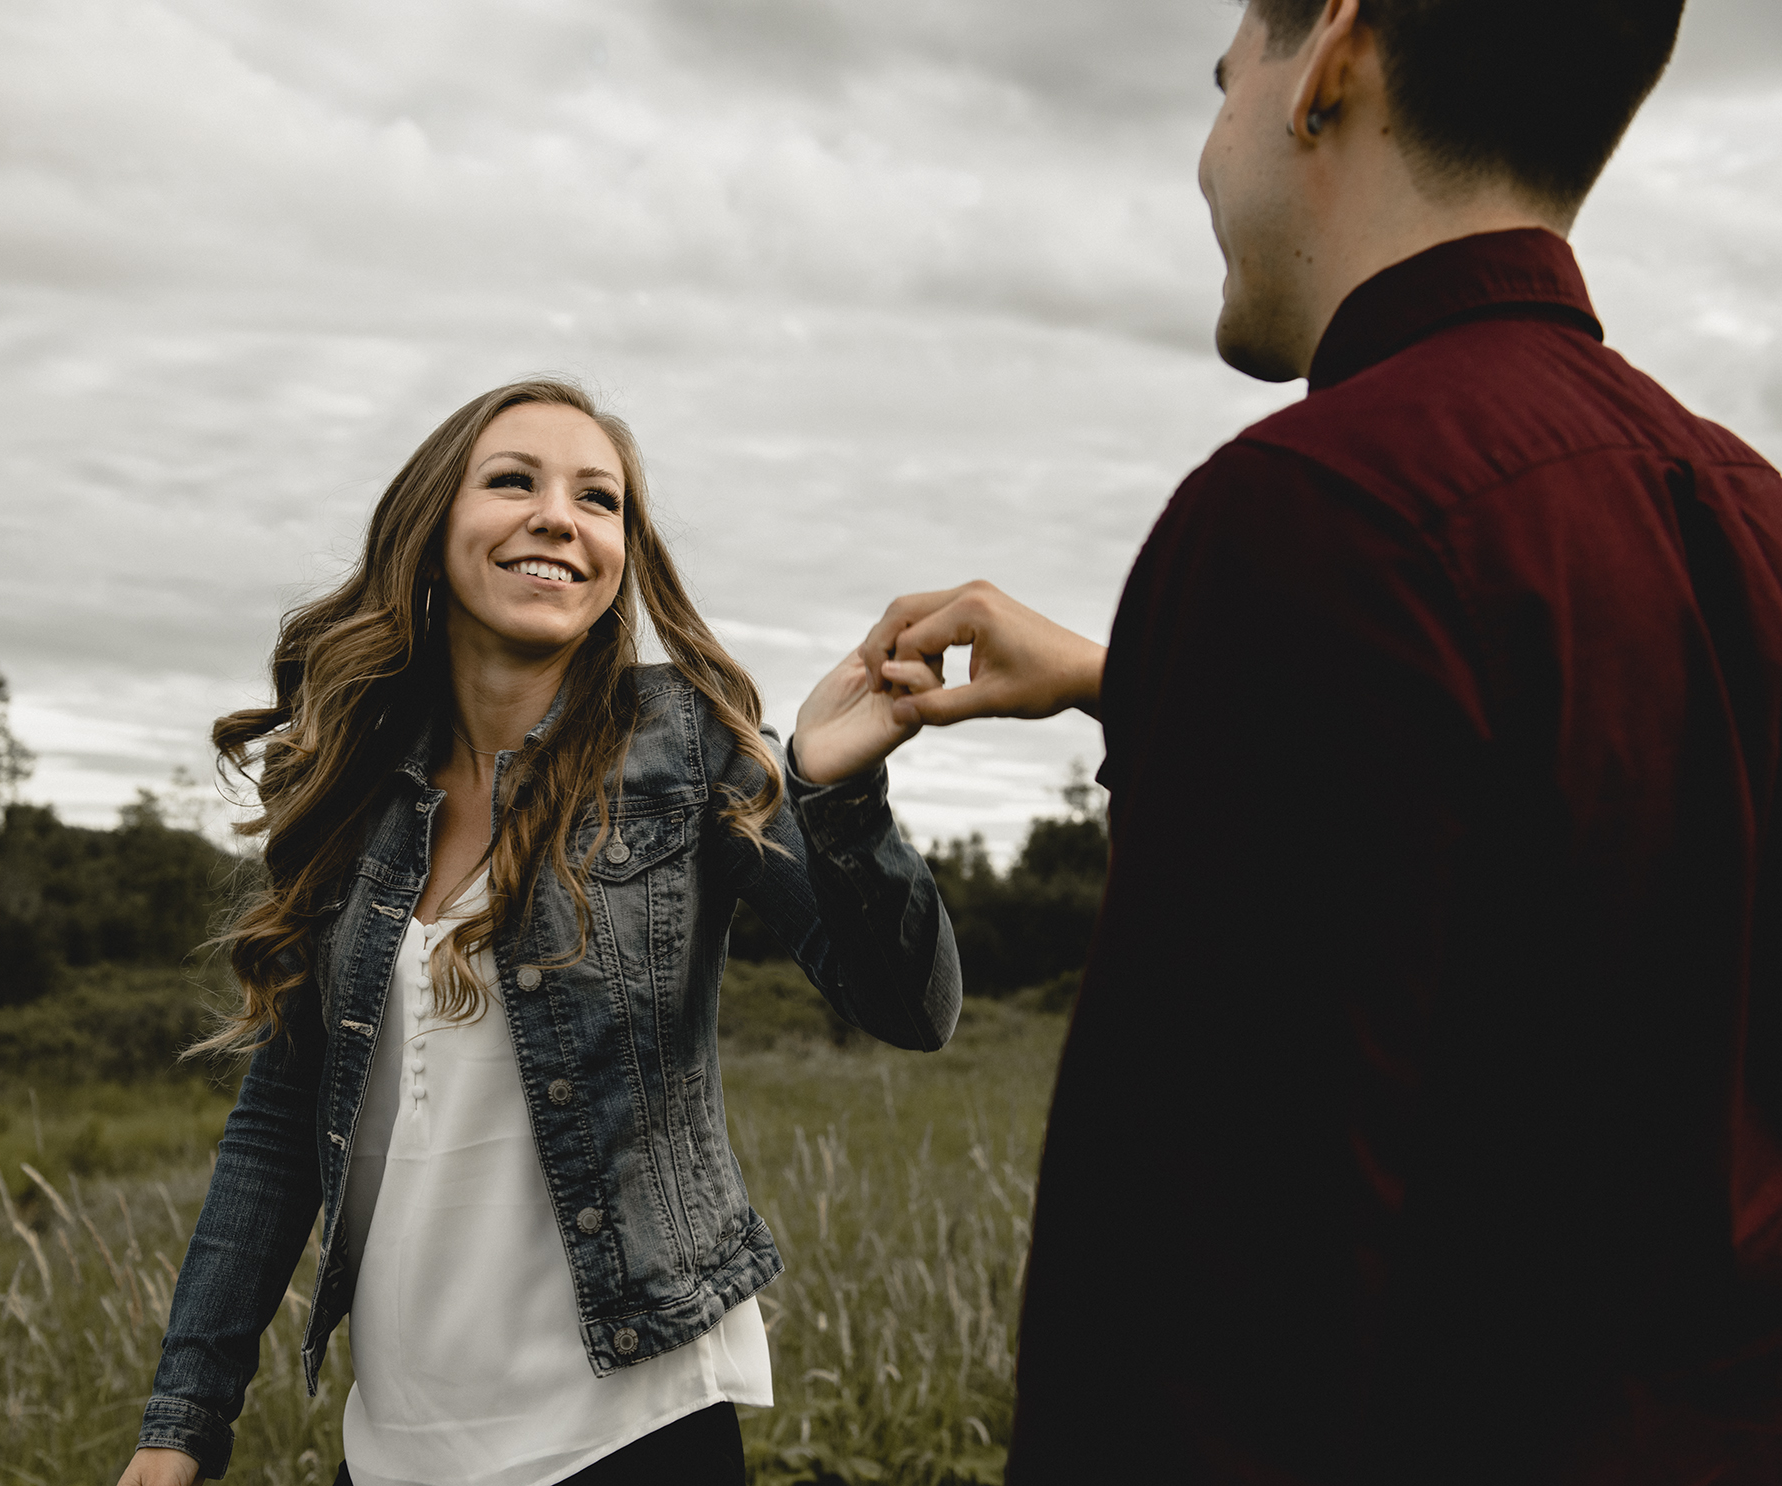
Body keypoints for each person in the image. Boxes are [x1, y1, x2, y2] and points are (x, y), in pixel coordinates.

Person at [856, 1, 1782, 1481]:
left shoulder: (1311, 513)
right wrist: (1134, 673)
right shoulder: (1744, 511)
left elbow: (1195, 1298)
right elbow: (1565, 803)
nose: (1205, 159)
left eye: (1224, 87)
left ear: (1331, 59)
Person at [114, 378, 961, 1486]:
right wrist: (181, 1422)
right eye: (512, 481)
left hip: (631, 1430)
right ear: (431, 529)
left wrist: (838, 798)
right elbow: (279, 1124)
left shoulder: (688, 746)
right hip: (397, 1449)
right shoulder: (361, 792)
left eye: (598, 499)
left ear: (620, 556)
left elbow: (909, 1007)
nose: (559, 516)